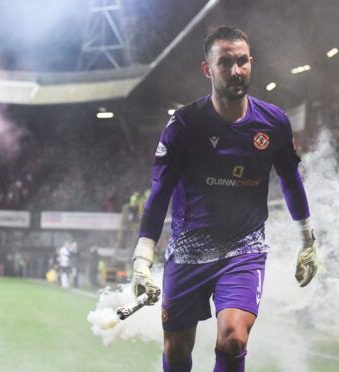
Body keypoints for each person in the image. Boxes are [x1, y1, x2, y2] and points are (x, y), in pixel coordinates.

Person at [130, 26, 318, 372]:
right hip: (188, 250)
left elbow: (291, 179)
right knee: (176, 352)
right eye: (225, 63)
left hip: (243, 249)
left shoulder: (273, 122)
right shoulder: (183, 125)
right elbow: (160, 193)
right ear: (208, 69)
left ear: (251, 62)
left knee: (233, 339)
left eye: (242, 61)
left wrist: (307, 241)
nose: (236, 71)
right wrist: (143, 257)